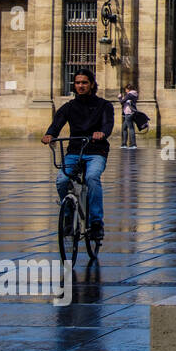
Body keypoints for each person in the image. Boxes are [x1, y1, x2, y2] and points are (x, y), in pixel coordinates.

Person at [43, 68, 115, 242]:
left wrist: (102, 133)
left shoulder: (104, 105)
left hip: (96, 151)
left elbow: (108, 125)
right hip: (75, 151)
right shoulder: (69, 107)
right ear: (74, 85)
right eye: (77, 83)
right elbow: (57, 123)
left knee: (92, 178)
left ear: (91, 84)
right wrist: (50, 134)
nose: (81, 86)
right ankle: (68, 215)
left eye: (84, 82)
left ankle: (96, 223)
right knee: (61, 180)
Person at [118, 83, 139, 149]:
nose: (125, 91)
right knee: (124, 128)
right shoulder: (134, 94)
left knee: (131, 128)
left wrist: (120, 97)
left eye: (126, 90)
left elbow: (122, 102)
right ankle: (124, 144)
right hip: (130, 113)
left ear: (128, 89)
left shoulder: (130, 95)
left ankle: (133, 144)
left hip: (129, 113)